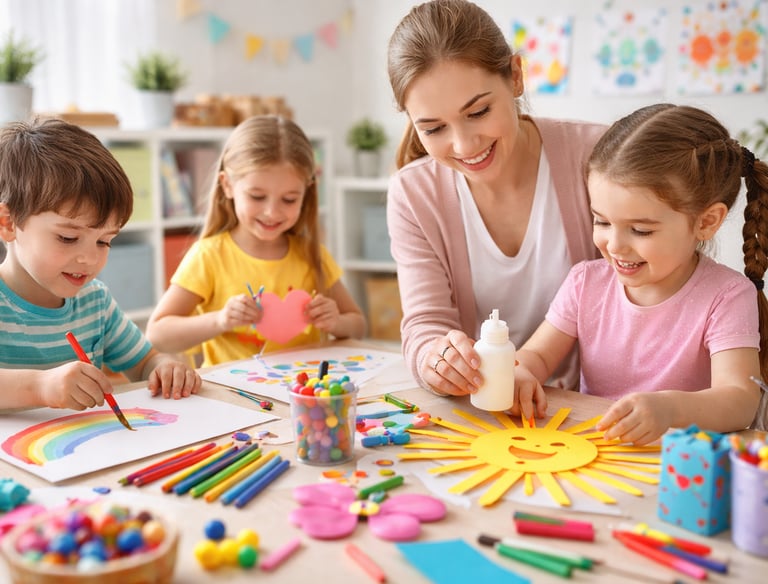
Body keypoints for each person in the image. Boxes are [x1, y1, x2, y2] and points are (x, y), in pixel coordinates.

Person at [386, 0, 605, 411]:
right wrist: (436, 359)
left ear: (516, 76)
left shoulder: (595, 156)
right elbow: (425, 324)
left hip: (595, 409)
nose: (464, 146)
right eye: (433, 129)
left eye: (479, 111)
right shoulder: (413, 194)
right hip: (485, 414)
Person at [514, 103, 768, 445]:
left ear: (706, 222)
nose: (615, 245)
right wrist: (519, 373)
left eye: (640, 230)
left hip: (677, 466)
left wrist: (669, 409)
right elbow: (538, 356)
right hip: (593, 454)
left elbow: (740, 399)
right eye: (601, 221)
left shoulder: (726, 295)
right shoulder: (584, 283)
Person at [0, 118, 201, 411]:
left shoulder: (95, 301)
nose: (90, 259)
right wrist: (40, 387)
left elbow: (144, 363)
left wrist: (165, 367)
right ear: (8, 223)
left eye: (104, 241)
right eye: (68, 238)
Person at [146, 115, 366, 367]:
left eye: (289, 199)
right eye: (257, 196)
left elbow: (357, 326)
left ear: (307, 193)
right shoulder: (209, 255)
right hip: (233, 397)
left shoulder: (312, 254)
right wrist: (221, 320)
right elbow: (158, 335)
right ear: (227, 186)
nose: (272, 212)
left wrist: (336, 322)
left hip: (303, 394)